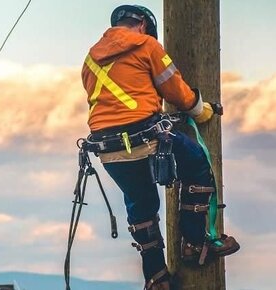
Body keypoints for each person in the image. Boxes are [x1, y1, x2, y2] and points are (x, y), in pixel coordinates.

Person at [80, 5, 240, 289]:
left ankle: (156, 278)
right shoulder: (147, 45)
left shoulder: (91, 59)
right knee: (198, 165)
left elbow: (113, 105)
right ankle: (195, 243)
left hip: (109, 150)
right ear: (142, 24)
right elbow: (175, 90)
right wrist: (200, 111)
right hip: (146, 138)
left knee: (141, 204)